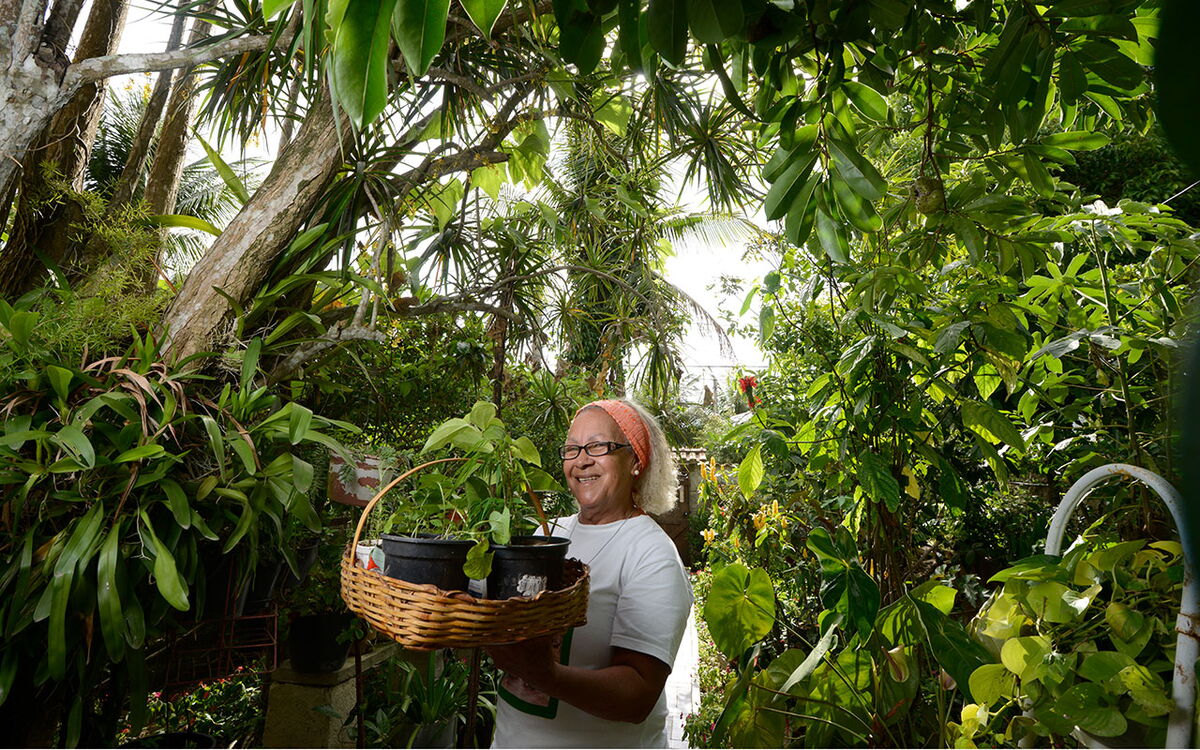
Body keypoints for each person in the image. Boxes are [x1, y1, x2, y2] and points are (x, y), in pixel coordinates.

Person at [487, 399, 693, 748]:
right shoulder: (547, 534)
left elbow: (638, 696)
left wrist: (544, 674)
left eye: (599, 446)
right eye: (572, 449)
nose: (582, 460)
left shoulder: (650, 553)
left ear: (636, 462)